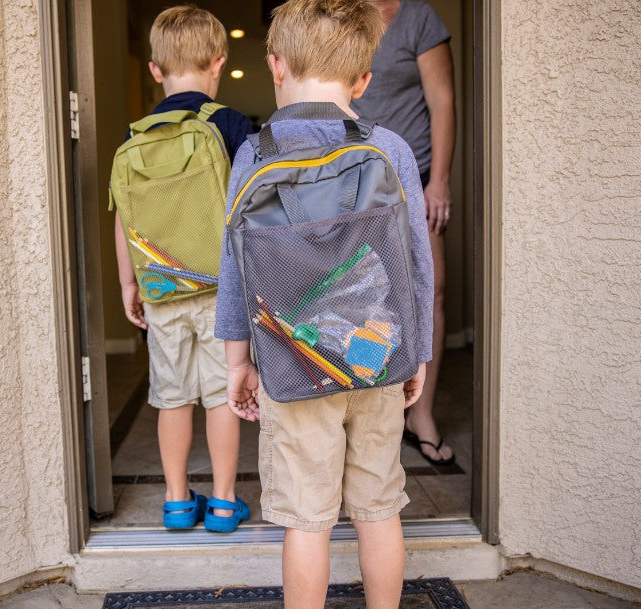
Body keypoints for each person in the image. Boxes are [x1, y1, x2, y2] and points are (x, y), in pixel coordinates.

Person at [214, 1, 434, 606]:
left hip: (291, 362)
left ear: (275, 64)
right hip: (375, 354)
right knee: (377, 508)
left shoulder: (255, 154)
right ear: (363, 80)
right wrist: (418, 354)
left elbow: (235, 269)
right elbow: (416, 262)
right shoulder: (388, 148)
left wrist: (239, 361)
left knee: (306, 522)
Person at [111, 5, 252, 532]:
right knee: (221, 397)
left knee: (172, 400)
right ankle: (220, 502)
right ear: (219, 64)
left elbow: (124, 218)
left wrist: (130, 283)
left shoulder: (133, 139)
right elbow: (248, 209)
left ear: (155, 70)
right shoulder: (231, 125)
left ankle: (174, 500)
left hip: (162, 291)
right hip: (221, 292)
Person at [351, 0, 456, 465]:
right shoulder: (336, 12)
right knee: (354, 297)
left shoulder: (418, 18)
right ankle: (363, 418)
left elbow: (442, 102)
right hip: (350, 179)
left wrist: (439, 181)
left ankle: (422, 415)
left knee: (429, 292)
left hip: (414, 178)